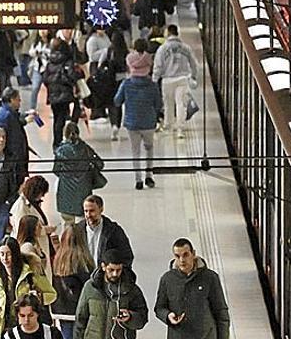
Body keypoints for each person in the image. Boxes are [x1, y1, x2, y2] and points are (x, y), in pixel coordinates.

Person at [0, 237, 56, 339]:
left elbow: (52, 294)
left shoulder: (30, 272)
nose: (5, 258)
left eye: (9, 254)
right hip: (4, 331)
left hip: (28, 328)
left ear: (15, 254)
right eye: (2, 254)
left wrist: (39, 297)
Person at [115, 39, 163, 190]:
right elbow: (158, 104)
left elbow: (117, 101)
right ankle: (149, 176)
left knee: (135, 151)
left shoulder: (126, 84)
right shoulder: (152, 85)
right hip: (149, 122)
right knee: (149, 148)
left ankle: (138, 180)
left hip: (132, 122)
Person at [52, 122, 103, 227]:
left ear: (65, 134)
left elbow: (56, 170)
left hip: (65, 192)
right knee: (83, 224)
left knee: (67, 223)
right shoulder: (85, 148)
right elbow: (100, 164)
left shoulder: (61, 151)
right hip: (84, 189)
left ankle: (68, 237)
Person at [152, 24, 198, 138]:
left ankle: (168, 127)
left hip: (167, 80)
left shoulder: (162, 49)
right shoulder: (185, 48)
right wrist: (193, 76)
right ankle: (180, 129)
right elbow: (194, 63)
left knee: (168, 105)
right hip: (182, 79)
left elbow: (158, 66)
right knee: (181, 104)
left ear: (168, 33)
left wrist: (155, 79)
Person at [10, 176, 57, 275]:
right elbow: (22, 229)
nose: (42, 196)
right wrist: (45, 230)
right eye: (41, 193)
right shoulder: (20, 207)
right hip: (29, 245)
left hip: (39, 243)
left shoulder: (33, 203)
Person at [74, 195, 134, 268]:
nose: (88, 215)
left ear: (101, 209)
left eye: (92, 211)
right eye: (86, 211)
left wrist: (114, 272)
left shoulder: (114, 231)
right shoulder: (77, 230)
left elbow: (127, 256)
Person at [43, 39, 83, 147]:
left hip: (53, 94)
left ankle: (56, 142)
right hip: (64, 94)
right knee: (62, 118)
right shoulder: (67, 61)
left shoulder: (50, 62)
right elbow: (71, 75)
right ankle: (61, 142)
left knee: (57, 118)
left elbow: (45, 78)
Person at [0, 88, 36, 186]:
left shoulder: (10, 113)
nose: (20, 101)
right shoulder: (4, 116)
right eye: (18, 99)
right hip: (12, 160)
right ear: (11, 100)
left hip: (17, 159)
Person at [28, 30, 52, 111]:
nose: (43, 32)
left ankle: (53, 109)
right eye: (41, 30)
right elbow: (31, 52)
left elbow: (52, 54)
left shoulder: (51, 43)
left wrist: (44, 52)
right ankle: (32, 108)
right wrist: (36, 52)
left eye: (45, 29)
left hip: (48, 69)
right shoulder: (36, 42)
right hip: (37, 68)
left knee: (51, 90)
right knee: (35, 88)